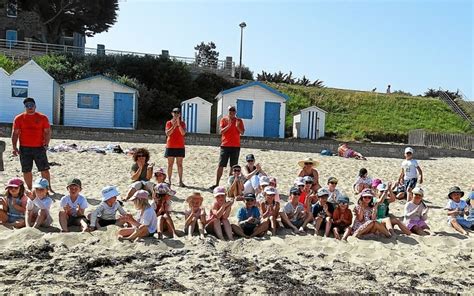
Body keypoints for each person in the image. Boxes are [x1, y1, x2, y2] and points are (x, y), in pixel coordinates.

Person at [11, 97, 53, 191]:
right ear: (25, 107)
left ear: (35, 106)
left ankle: (47, 188)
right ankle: (30, 188)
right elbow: (15, 133)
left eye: (31, 105)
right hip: (24, 148)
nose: (30, 107)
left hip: (39, 147)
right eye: (27, 106)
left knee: (44, 169)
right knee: (26, 170)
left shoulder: (42, 117)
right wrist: (14, 147)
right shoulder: (19, 118)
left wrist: (46, 143)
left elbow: (47, 132)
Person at [211, 105, 245, 189]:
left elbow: (242, 132)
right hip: (225, 145)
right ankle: (217, 183)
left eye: (233, 110)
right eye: (230, 110)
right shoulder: (224, 119)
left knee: (233, 167)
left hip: (235, 146)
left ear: (235, 112)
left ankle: (230, 184)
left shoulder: (239, 121)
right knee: (221, 165)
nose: (232, 112)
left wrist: (237, 127)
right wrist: (228, 125)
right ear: (228, 111)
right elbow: (221, 131)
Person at [165, 107, 186, 187]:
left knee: (179, 164)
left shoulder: (183, 123)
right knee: (170, 164)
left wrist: (178, 124)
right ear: (172, 113)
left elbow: (183, 133)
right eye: (175, 112)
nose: (176, 114)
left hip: (180, 146)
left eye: (178, 113)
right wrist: (173, 126)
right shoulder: (168, 123)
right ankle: (169, 181)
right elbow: (167, 134)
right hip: (170, 146)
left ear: (180, 114)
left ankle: (180, 181)